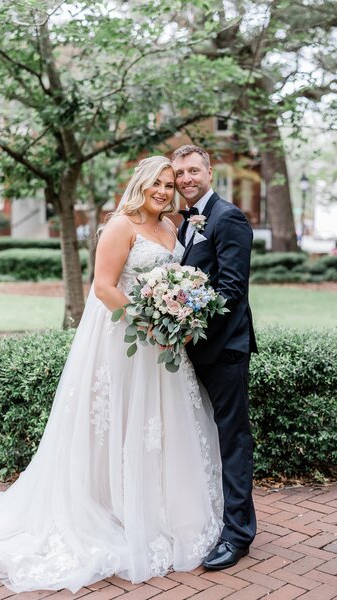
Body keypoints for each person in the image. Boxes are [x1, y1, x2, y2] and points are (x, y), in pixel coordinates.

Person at [0, 156, 223, 593]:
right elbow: (105, 287)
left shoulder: (171, 228)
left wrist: (178, 319)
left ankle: (159, 511)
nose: (165, 191)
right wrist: (151, 324)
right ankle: (111, 507)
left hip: (163, 353)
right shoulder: (120, 226)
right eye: (158, 184)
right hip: (126, 345)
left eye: (169, 184)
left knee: (159, 429)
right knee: (116, 426)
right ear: (141, 184)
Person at [172, 145, 258, 570]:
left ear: (209, 171)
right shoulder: (186, 221)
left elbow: (231, 291)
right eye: (179, 173)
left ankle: (239, 534)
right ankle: (211, 517)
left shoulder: (228, 218)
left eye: (193, 170)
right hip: (191, 350)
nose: (186, 178)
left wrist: (190, 331)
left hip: (222, 350)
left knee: (232, 440)